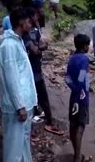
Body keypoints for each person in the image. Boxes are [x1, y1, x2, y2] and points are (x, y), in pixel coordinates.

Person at [0, 8, 37, 162]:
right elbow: (11, 77)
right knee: (13, 149)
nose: (30, 24)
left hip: (25, 104)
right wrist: (19, 106)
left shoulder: (18, 42)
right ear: (21, 23)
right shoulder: (8, 46)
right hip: (16, 107)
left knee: (23, 145)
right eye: (28, 21)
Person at [23, 7, 63, 135]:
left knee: (41, 95)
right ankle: (41, 123)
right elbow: (35, 49)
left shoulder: (35, 30)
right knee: (36, 95)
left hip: (37, 67)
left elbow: (40, 44)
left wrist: (40, 48)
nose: (38, 17)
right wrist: (40, 48)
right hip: (30, 69)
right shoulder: (25, 33)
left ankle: (46, 120)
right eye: (35, 15)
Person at [65, 34, 92, 162]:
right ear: (84, 46)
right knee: (81, 125)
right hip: (82, 97)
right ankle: (77, 157)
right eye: (88, 45)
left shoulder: (72, 58)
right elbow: (82, 76)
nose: (89, 47)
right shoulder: (84, 59)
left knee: (73, 123)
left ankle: (76, 152)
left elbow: (67, 78)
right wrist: (83, 90)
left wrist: (75, 89)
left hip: (73, 95)